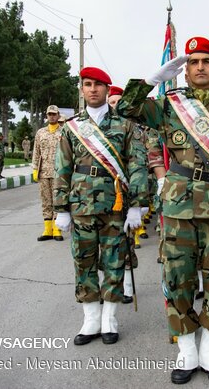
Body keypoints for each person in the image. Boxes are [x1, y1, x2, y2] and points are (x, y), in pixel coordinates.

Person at [117, 36, 209, 384]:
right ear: (186, 68)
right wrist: (152, 80)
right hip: (178, 206)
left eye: (206, 61)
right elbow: (125, 108)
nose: (199, 67)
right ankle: (187, 351)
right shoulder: (169, 104)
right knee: (177, 280)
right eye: (193, 61)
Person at [53, 67, 149, 347]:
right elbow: (62, 168)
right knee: (83, 262)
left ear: (108, 90)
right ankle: (90, 318)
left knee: (114, 261)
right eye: (87, 84)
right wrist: (60, 207)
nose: (93, 89)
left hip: (115, 205)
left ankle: (109, 318)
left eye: (98, 85)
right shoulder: (71, 127)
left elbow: (137, 165)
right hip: (80, 204)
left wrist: (137, 205)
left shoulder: (125, 125)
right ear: (81, 90)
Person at [33, 105, 65, 242]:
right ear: (46, 116)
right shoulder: (41, 133)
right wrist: (35, 168)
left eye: (54, 114)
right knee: (46, 201)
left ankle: (57, 229)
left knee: (58, 201)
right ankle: (47, 229)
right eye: (49, 114)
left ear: (58, 115)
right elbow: (36, 151)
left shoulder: (64, 132)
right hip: (44, 172)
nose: (52, 116)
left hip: (59, 172)